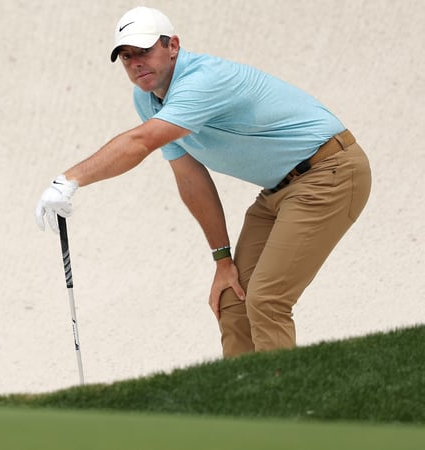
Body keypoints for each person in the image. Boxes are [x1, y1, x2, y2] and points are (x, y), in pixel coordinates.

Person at [34, 6, 371, 357]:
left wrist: (69, 179)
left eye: (144, 51)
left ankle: (281, 407)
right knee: (232, 299)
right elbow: (190, 176)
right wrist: (222, 261)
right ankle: (237, 406)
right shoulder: (147, 99)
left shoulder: (202, 80)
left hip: (330, 173)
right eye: (126, 56)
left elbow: (141, 142)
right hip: (278, 191)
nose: (135, 63)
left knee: (267, 299)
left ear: (173, 46)